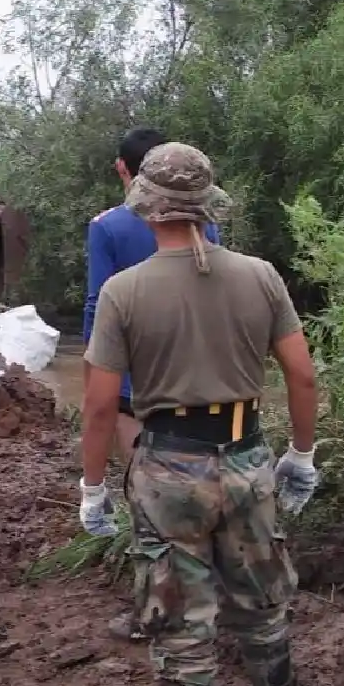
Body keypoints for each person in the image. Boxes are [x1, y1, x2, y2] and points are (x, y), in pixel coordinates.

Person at [79, 142, 319, 686]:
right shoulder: (260, 276)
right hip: (247, 459)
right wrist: (302, 454)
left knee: (182, 631)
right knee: (264, 613)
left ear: (147, 207)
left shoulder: (123, 292)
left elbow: (101, 404)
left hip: (166, 468)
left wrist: (92, 487)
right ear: (206, 206)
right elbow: (303, 373)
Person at [82, 125, 220, 642]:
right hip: (195, 371)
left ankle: (156, 611)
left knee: (147, 493)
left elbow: (98, 304)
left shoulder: (109, 227)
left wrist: (96, 374)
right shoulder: (207, 227)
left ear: (124, 169)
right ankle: (208, 589)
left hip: (133, 376)